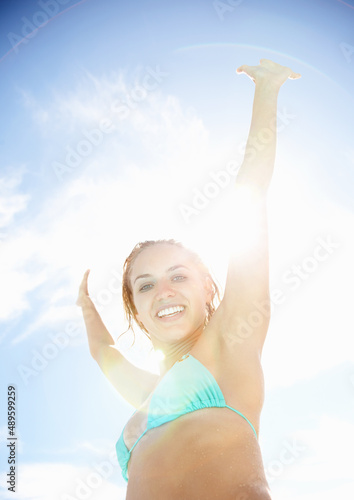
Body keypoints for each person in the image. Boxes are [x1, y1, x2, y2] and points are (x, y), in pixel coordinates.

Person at [77, 59, 301, 499]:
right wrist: (85, 304)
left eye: (178, 276)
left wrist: (267, 89)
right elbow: (103, 351)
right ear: (137, 312)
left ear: (207, 289)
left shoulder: (233, 339)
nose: (164, 291)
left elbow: (250, 192)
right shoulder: (147, 392)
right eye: (145, 285)